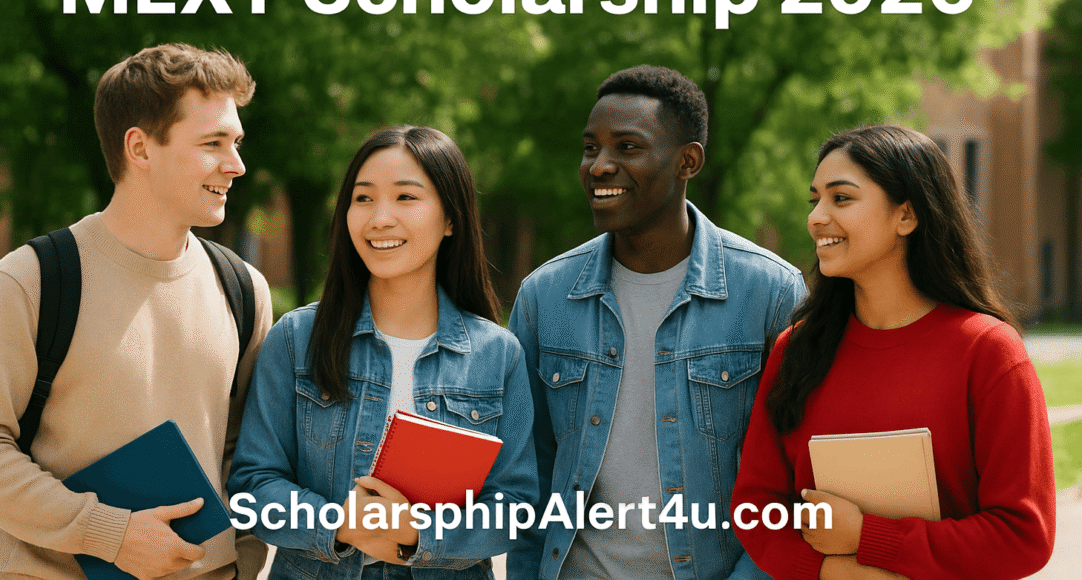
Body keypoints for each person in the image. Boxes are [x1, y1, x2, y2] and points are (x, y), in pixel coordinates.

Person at [0, 43, 274, 580]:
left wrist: (246, 566)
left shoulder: (243, 288)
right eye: (213, 143)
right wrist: (110, 535)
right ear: (140, 149)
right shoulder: (31, 281)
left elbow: (254, 455)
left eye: (235, 142)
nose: (235, 165)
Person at [507, 65, 807, 580]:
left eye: (627, 147)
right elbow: (527, 477)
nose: (600, 165)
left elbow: (797, 479)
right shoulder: (545, 296)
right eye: (590, 148)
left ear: (687, 161)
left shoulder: (770, 292)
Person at [731, 124, 1056, 580]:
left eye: (841, 198)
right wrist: (834, 573)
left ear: (906, 216)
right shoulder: (797, 349)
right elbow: (756, 508)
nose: (816, 217)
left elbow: (1024, 536)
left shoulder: (988, 352)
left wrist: (867, 537)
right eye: (815, 200)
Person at [227, 125, 537, 579]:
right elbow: (252, 487)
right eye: (364, 198)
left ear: (451, 219)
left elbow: (516, 506)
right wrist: (338, 524)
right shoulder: (297, 339)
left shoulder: (497, 354)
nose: (379, 218)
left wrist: (421, 535)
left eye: (406, 198)